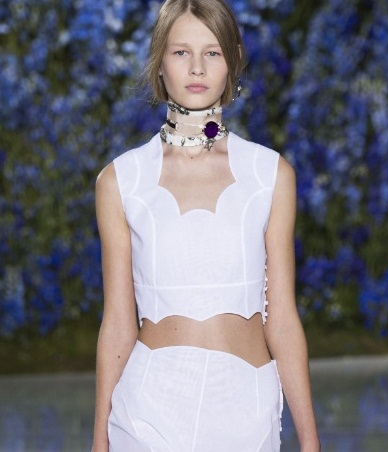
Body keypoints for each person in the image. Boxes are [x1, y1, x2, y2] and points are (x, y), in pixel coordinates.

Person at [92, 0, 320, 450]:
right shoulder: (121, 180)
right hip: (148, 412)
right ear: (160, 62)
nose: (197, 67)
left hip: (245, 408)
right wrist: (100, 439)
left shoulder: (269, 174)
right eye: (181, 52)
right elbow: (118, 321)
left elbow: (282, 319)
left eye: (212, 52)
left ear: (233, 59)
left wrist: (311, 442)